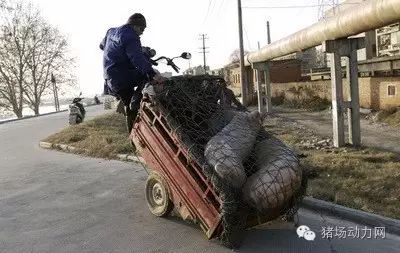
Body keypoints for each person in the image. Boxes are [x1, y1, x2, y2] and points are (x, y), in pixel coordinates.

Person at [100, 13, 162, 133]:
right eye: (142, 29)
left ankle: (133, 131)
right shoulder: (131, 36)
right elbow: (137, 59)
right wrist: (152, 74)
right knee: (147, 76)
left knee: (128, 106)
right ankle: (135, 103)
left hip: (110, 77)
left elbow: (102, 45)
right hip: (121, 76)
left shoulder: (111, 31)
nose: (142, 32)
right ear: (135, 26)